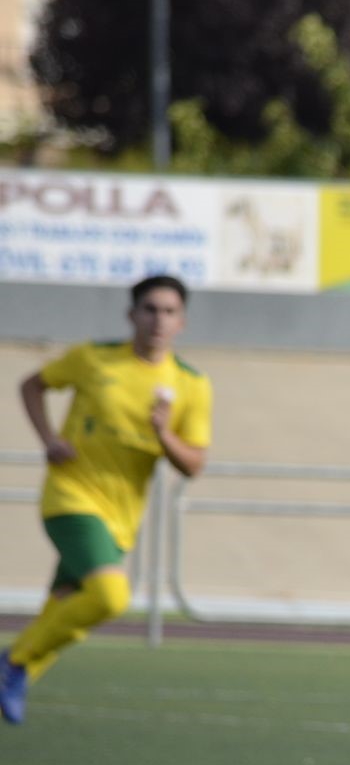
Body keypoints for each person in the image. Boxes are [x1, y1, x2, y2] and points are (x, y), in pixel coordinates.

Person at [4, 275, 212, 725]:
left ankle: (18, 671)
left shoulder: (191, 385)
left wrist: (163, 434)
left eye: (169, 312)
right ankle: (15, 662)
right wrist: (48, 439)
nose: (159, 320)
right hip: (71, 497)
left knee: (65, 608)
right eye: (150, 309)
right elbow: (31, 385)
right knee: (111, 596)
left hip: (121, 516)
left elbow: (193, 463)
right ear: (131, 315)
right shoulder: (95, 359)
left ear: (183, 322)